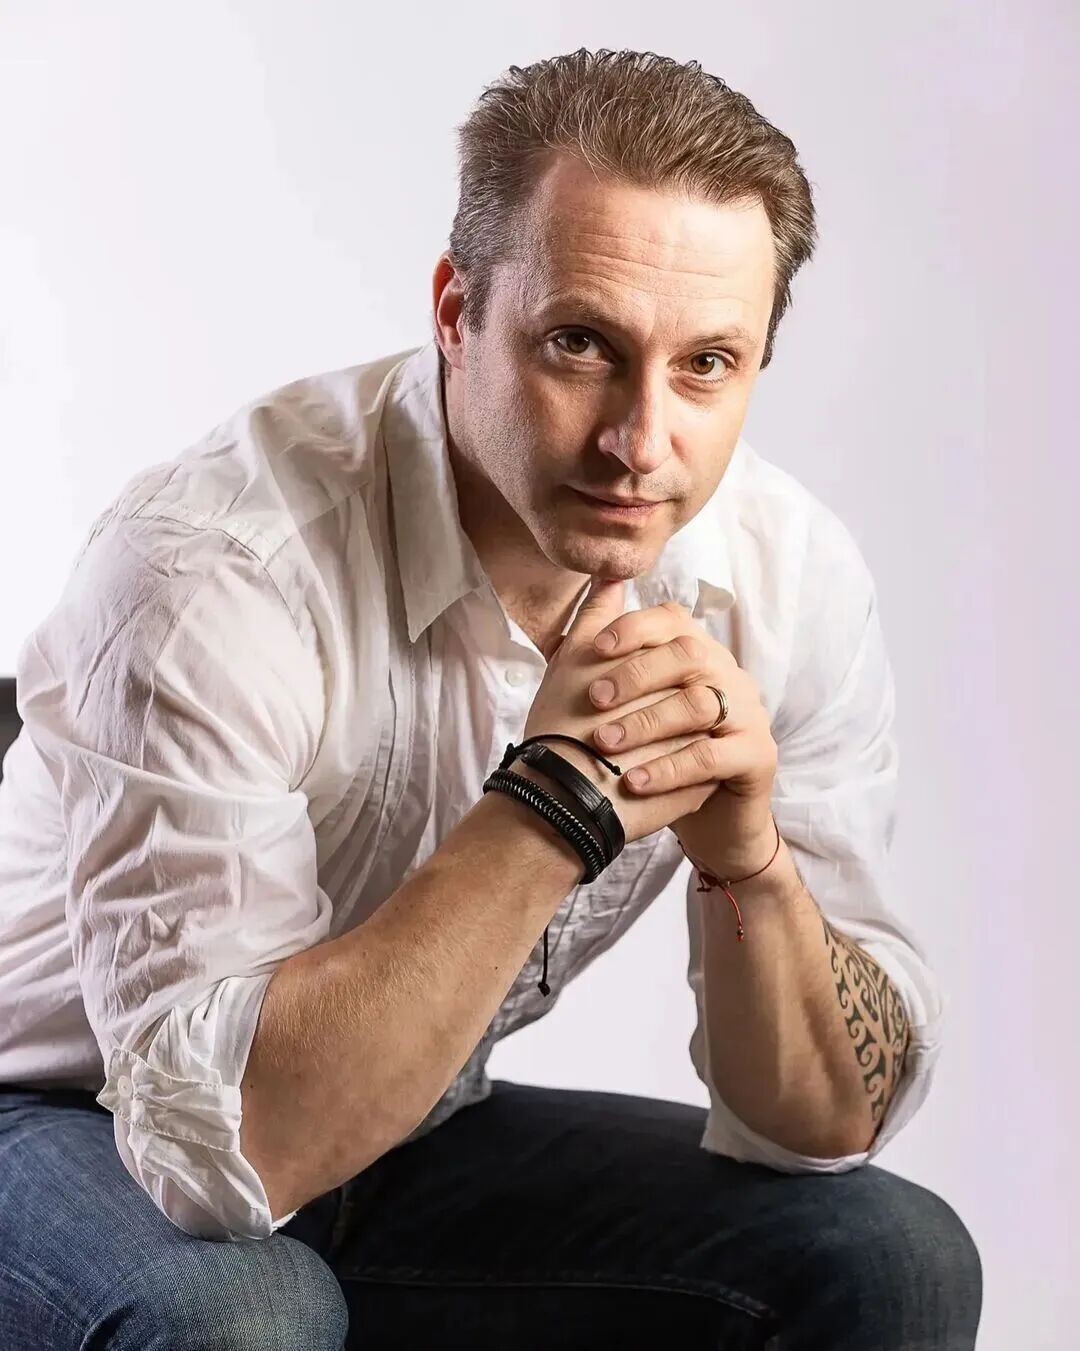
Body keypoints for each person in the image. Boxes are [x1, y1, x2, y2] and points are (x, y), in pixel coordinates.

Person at [0, 47, 981, 1350]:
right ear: (455, 310)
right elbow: (227, 1154)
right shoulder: (217, 564)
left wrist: (747, 862)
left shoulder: (786, 579)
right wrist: (551, 804)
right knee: (242, 1314)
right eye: (581, 344)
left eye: (707, 365)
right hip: (57, 1115)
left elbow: (826, 1123)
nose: (641, 443)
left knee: (891, 1258)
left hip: (396, 1127)